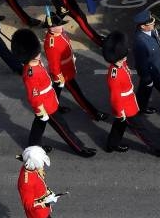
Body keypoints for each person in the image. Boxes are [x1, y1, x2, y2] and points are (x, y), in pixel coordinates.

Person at [10, 29, 97, 158]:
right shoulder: (30, 73)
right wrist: (41, 110)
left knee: (39, 125)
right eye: (36, 54)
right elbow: (34, 96)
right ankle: (79, 148)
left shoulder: (34, 62)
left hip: (49, 98)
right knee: (63, 128)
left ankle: (33, 146)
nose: (39, 54)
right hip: (46, 105)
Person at [103, 31, 160, 156]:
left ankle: (112, 144)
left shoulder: (121, 64)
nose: (125, 57)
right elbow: (115, 96)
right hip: (125, 107)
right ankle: (158, 148)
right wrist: (120, 112)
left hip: (129, 101)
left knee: (120, 125)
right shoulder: (115, 74)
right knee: (141, 129)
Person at [41, 10, 107, 121]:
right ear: (51, 28)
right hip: (63, 73)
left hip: (68, 67)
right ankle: (94, 113)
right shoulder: (52, 43)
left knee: (56, 89)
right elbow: (54, 64)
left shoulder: (60, 32)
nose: (61, 26)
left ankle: (53, 108)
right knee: (77, 94)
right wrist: (59, 77)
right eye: (57, 25)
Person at [133, 9, 160, 113]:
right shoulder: (140, 42)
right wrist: (147, 78)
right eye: (151, 23)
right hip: (154, 72)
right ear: (143, 26)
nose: (154, 23)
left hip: (158, 66)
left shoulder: (150, 30)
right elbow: (141, 63)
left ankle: (140, 107)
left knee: (144, 91)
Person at [17, 146, 63, 218]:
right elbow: (29, 206)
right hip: (39, 215)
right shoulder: (26, 183)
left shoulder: (30, 168)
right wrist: (46, 203)